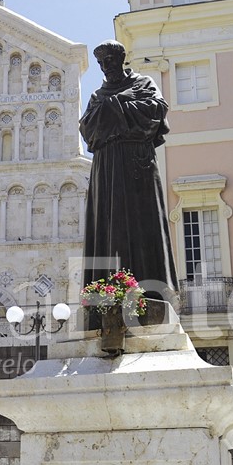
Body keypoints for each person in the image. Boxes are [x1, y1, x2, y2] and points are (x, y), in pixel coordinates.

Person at [79, 40, 178, 302]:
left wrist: (113, 109)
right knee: (107, 225)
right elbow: (88, 129)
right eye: (101, 63)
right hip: (106, 168)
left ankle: (150, 292)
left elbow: (155, 112)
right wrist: (119, 107)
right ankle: (106, 294)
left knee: (142, 222)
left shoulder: (143, 84)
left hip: (137, 165)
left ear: (121, 59)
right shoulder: (97, 96)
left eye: (109, 60)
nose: (105, 66)